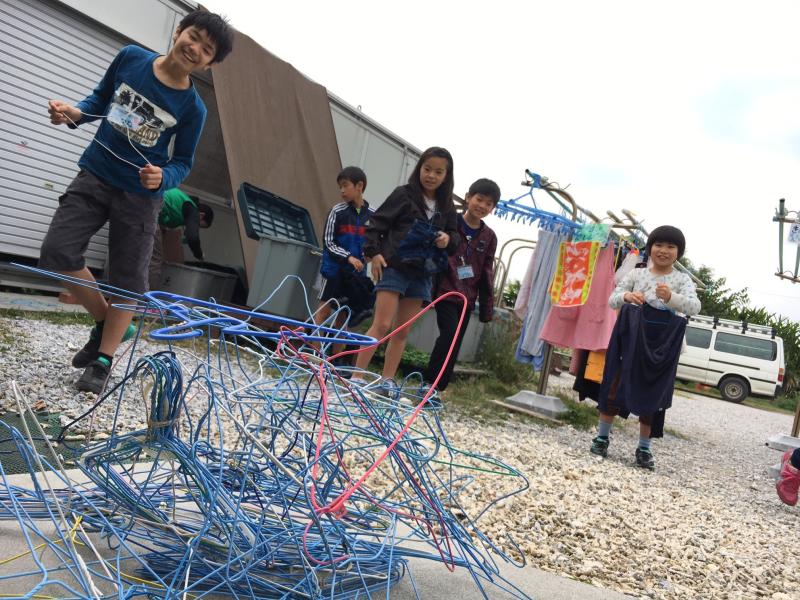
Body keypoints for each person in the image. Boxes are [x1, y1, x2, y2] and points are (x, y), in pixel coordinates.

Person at [39, 10, 234, 394]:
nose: (194, 48)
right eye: (193, 36)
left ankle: (102, 361)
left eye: (206, 49)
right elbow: (100, 99)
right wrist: (74, 115)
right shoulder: (131, 58)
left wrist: (164, 177)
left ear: (210, 63)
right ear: (179, 31)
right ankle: (105, 323)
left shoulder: (194, 109)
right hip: (94, 174)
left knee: (129, 281)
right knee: (58, 251)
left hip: (141, 199)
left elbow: (182, 162)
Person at [590, 225, 701, 469]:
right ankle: (602, 437)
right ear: (650, 248)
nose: (664, 250)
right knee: (614, 384)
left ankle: (644, 448)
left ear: (678, 252)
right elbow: (612, 300)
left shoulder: (682, 280)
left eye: (671, 246)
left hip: (662, 345)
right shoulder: (637, 274)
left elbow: (695, 307)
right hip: (629, 339)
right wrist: (628, 297)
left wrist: (671, 297)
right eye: (658, 245)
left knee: (653, 391)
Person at [355, 147, 460, 387]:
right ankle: (357, 377)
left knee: (401, 331)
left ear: (446, 176)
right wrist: (374, 254)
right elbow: (376, 224)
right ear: (419, 168)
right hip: (395, 267)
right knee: (381, 324)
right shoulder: (403, 194)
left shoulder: (447, 205)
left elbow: (455, 237)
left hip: (423, 273)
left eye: (438, 171)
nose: (431, 175)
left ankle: (387, 381)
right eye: (427, 169)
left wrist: (447, 239)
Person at [424, 178, 500, 392]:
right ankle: (429, 383)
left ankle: (437, 390)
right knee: (448, 334)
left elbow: (487, 272)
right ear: (468, 197)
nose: (482, 206)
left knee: (455, 341)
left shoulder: (489, 237)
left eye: (488, 204)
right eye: (479, 199)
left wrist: (486, 308)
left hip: (468, 297)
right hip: (445, 290)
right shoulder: (451, 221)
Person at [314, 166, 375, 366]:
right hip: (334, 270)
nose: (342, 191)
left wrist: (371, 256)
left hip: (356, 276)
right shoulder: (337, 211)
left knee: (344, 317)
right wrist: (348, 257)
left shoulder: (373, 216)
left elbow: (375, 243)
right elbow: (329, 243)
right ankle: (314, 357)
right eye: (340, 187)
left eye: (345, 186)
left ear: (360, 186)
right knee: (323, 312)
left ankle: (332, 362)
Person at [149, 188, 215, 291]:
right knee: (156, 259)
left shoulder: (184, 204)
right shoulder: (193, 211)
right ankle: (146, 297)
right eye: (200, 225)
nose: (197, 226)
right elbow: (192, 237)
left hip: (149, 201)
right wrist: (200, 255)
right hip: (150, 206)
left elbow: (166, 213)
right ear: (201, 215)